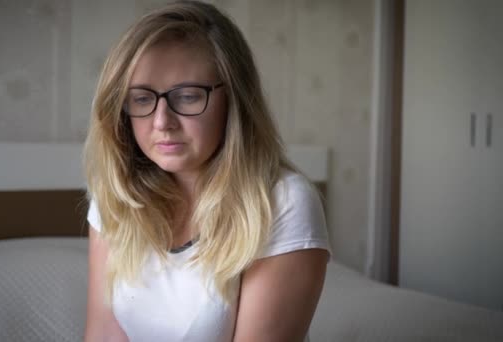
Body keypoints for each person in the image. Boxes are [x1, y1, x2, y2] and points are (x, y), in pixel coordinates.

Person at [83, 1, 330, 341]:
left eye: (186, 96)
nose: (162, 122)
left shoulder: (284, 202)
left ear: (235, 99)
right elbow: (104, 334)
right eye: (141, 99)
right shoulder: (115, 195)